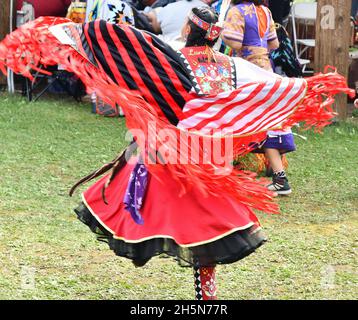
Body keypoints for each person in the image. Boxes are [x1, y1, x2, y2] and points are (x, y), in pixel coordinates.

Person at [0, 6, 354, 300]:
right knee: (206, 221)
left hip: (167, 153)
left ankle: (150, 246)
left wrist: (76, 36)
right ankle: (206, 288)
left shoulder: (170, 56)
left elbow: (130, 57)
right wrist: (331, 90)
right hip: (208, 157)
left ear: (189, 28)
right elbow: (275, 84)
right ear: (214, 34)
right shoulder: (231, 66)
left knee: (157, 205)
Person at [222, 0, 294, 195]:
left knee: (232, 117)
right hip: (266, 70)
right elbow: (274, 43)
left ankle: (225, 170)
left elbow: (234, 41)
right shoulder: (265, 11)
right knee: (266, 122)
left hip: (245, 71)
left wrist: (222, 33)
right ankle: (278, 175)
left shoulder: (237, 11)